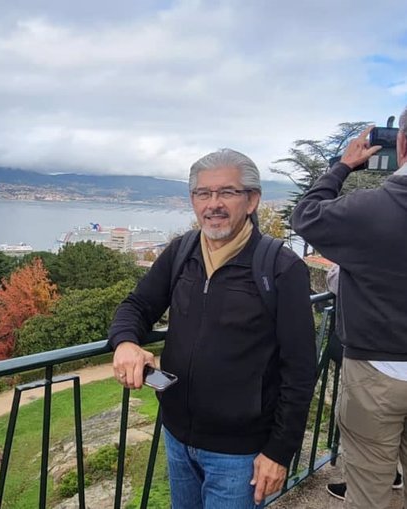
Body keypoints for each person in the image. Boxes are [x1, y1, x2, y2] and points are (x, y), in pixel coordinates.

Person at [109, 149, 317, 508]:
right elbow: (137, 306)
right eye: (203, 193)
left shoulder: (280, 268)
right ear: (192, 200)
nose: (213, 204)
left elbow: (299, 371)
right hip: (177, 436)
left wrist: (279, 453)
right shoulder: (181, 251)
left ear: (252, 200)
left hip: (239, 454)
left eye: (227, 192)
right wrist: (125, 341)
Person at [291, 109, 407, 509]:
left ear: (402, 144)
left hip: (376, 371)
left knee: (368, 490)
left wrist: (343, 165)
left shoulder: (369, 209)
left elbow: (305, 213)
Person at [322, 264, 403, 501]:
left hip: (379, 366)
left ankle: (386, 475)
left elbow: (338, 280)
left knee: (368, 483)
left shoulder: (373, 239)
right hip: (384, 366)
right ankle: (393, 474)